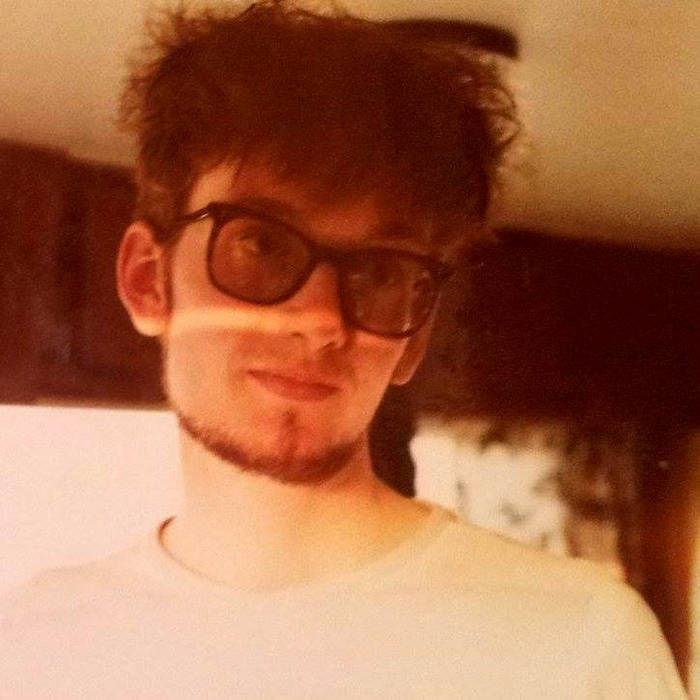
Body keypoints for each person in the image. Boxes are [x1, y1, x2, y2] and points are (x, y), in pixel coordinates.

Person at [0, 1, 687, 697]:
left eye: (381, 272)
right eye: (261, 245)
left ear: (415, 336)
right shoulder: (31, 648)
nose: (322, 320)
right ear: (148, 281)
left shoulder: (579, 645)